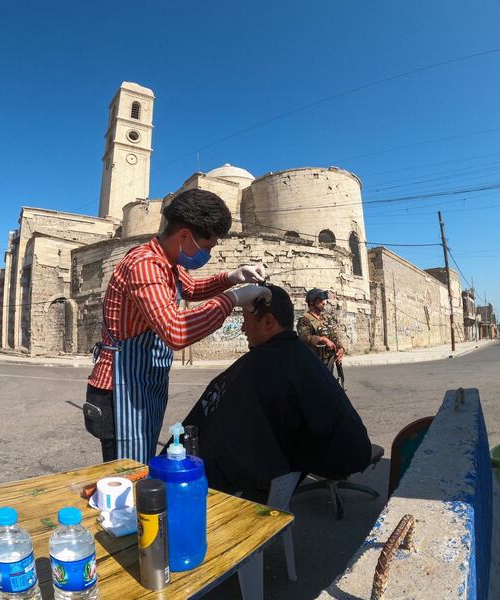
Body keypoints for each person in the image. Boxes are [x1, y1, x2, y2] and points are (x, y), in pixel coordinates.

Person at [83, 189, 270, 464]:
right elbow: (176, 330)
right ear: (184, 235)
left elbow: (191, 288)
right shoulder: (145, 265)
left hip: (141, 384)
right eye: (207, 246)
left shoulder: (170, 264)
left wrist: (232, 277)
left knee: (141, 465)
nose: (207, 253)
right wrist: (234, 299)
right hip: (118, 389)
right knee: (125, 475)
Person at [177, 285, 372, 501]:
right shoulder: (294, 353)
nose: (243, 328)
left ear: (268, 322)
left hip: (332, 456)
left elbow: (230, 441)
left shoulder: (265, 364)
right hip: (344, 449)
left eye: (245, 320)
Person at [297, 288, 346, 387]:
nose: (324, 303)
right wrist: (322, 339)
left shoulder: (326, 319)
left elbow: (334, 336)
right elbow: (304, 337)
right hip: (313, 364)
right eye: (320, 300)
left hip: (329, 363)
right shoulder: (305, 320)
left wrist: (341, 348)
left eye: (324, 300)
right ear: (311, 302)